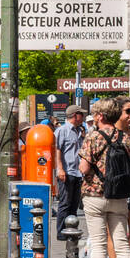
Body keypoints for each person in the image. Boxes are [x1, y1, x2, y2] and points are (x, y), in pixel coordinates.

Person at [77, 96, 130, 258]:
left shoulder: (93, 137)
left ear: (101, 116)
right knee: (121, 244)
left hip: (95, 196)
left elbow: (83, 168)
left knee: (99, 243)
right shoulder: (126, 137)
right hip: (119, 196)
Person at [53, 104, 86, 242]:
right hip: (67, 172)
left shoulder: (80, 130)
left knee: (74, 203)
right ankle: (61, 232)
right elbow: (57, 150)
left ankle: (71, 229)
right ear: (75, 115)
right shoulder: (62, 131)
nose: (83, 117)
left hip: (78, 172)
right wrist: (60, 169)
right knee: (65, 203)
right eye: (81, 114)